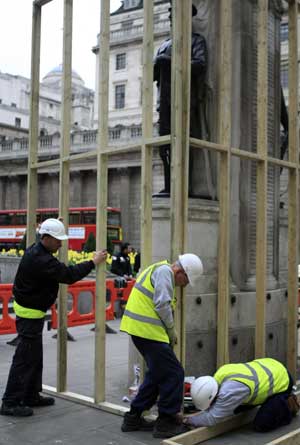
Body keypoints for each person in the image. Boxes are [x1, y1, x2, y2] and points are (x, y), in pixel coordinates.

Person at [0, 218, 107, 417]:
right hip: (30, 314)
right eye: (57, 239)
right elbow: (69, 275)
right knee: (24, 359)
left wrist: (53, 224)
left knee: (33, 358)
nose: (61, 243)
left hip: (31, 311)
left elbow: (45, 236)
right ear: (46, 238)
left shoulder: (38, 249)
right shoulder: (42, 260)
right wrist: (93, 262)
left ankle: (31, 395)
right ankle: (10, 402)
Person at [120, 253, 204, 438]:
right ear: (180, 271)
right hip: (147, 332)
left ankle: (133, 418)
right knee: (174, 373)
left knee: (157, 375)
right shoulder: (165, 272)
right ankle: (165, 423)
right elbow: (162, 304)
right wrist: (171, 328)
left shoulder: (157, 268)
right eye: (187, 280)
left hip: (142, 331)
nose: (185, 284)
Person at [153, 3, 207, 196]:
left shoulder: (195, 41)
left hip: (184, 101)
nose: (172, 20)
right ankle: (169, 186)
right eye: (171, 17)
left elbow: (200, 64)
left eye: (175, 16)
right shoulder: (164, 44)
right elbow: (153, 75)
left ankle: (185, 185)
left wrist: (169, 61)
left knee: (183, 145)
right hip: (164, 102)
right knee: (163, 147)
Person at [185, 357, 299, 432]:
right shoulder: (219, 375)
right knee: (234, 410)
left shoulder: (230, 391)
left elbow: (212, 418)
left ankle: (288, 405)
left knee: (262, 424)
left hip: (282, 381)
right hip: (271, 365)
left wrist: (187, 420)